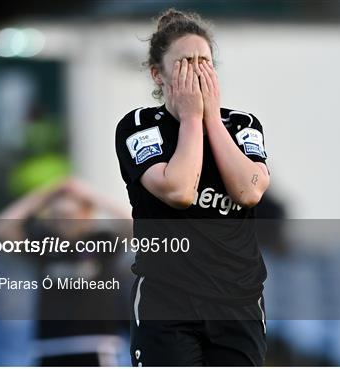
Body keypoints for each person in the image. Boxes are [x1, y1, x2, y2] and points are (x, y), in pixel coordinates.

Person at [115, 8, 270, 366]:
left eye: (205, 61)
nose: (198, 70)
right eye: (185, 62)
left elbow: (249, 191)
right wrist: (189, 118)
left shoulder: (242, 124)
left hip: (238, 302)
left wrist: (212, 119)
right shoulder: (140, 127)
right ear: (158, 73)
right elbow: (180, 191)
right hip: (167, 303)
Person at [0, 178, 130, 366]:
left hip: (96, 343)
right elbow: (0, 228)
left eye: (72, 213)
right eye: (59, 214)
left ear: (87, 212)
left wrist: (90, 195)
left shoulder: (102, 241)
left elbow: (135, 223)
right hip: (50, 344)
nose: (66, 220)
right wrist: (46, 194)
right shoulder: (43, 242)